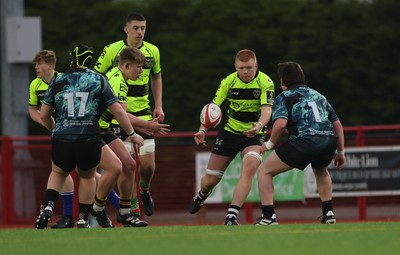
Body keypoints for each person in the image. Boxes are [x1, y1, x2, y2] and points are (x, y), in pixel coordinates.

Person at [34, 44, 141, 229]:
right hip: (88, 137)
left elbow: (44, 115)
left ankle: (48, 207)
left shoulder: (58, 80)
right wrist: (131, 133)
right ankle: (83, 218)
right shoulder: (98, 79)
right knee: (87, 177)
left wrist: (54, 127)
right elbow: (119, 112)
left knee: (58, 172)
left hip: (62, 136)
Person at [189, 49, 275, 225]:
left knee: (250, 166)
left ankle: (231, 215)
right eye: (241, 68)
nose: (245, 72)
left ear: (256, 66)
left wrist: (258, 125)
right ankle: (202, 194)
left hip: (254, 133)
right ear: (235, 66)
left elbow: (267, 110)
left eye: (249, 68)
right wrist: (202, 130)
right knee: (210, 180)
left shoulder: (265, 82)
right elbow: (213, 108)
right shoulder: (228, 81)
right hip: (229, 132)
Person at [255, 61, 345, 225]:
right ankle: (329, 213)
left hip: (304, 141)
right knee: (321, 171)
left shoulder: (283, 97)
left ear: (283, 81)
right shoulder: (318, 95)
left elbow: (280, 124)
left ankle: (268, 217)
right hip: (328, 140)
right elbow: (337, 124)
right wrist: (340, 152)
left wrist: (269, 144)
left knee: (264, 171)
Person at [94, 13, 165, 217]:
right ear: (126, 29)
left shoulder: (153, 51)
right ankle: (130, 207)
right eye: (135, 28)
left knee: (148, 165)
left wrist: (158, 105)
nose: (140, 32)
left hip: (141, 111)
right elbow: (95, 77)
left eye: (143, 28)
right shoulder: (112, 51)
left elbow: (157, 78)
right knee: (126, 165)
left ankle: (143, 191)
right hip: (116, 116)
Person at [28, 50, 75, 229]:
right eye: (35, 64)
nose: (36, 68)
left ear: (51, 65)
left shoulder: (65, 80)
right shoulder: (35, 84)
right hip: (58, 134)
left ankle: (117, 206)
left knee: (85, 172)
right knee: (65, 171)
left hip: (73, 131)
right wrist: (44, 121)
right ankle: (68, 215)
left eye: (39, 64)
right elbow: (33, 109)